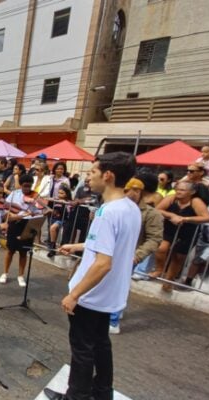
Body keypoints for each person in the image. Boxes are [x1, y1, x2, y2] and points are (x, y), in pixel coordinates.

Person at [44, 152, 141, 400]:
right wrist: (78, 247)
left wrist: (74, 294)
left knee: (83, 351)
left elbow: (103, 264)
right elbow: (112, 248)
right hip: (109, 295)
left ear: (108, 175)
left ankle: (75, 396)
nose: (89, 177)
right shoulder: (130, 207)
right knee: (101, 345)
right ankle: (102, 393)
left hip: (91, 296)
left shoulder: (107, 212)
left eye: (93, 172)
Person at [109, 177, 163, 334]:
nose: (129, 193)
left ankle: (113, 320)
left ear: (140, 191)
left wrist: (137, 255)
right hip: (110, 253)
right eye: (126, 190)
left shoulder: (151, 214)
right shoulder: (113, 207)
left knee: (120, 286)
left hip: (129, 257)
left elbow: (154, 238)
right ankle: (112, 310)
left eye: (134, 190)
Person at [149, 181, 209, 292]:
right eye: (177, 189)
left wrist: (185, 219)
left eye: (182, 190)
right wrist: (172, 215)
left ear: (192, 192)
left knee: (178, 257)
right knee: (161, 248)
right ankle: (159, 269)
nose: (178, 192)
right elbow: (157, 209)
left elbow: (206, 217)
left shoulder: (196, 201)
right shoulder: (171, 198)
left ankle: (169, 280)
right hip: (168, 228)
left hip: (188, 231)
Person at [0, 174, 45, 286]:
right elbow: (6, 208)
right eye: (25, 186)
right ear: (21, 185)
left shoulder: (35, 196)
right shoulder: (14, 194)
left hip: (28, 224)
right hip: (15, 223)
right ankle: (5, 273)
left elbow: (40, 211)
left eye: (29, 186)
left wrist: (35, 212)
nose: (27, 189)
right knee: (11, 250)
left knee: (24, 252)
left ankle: (20, 275)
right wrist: (14, 215)